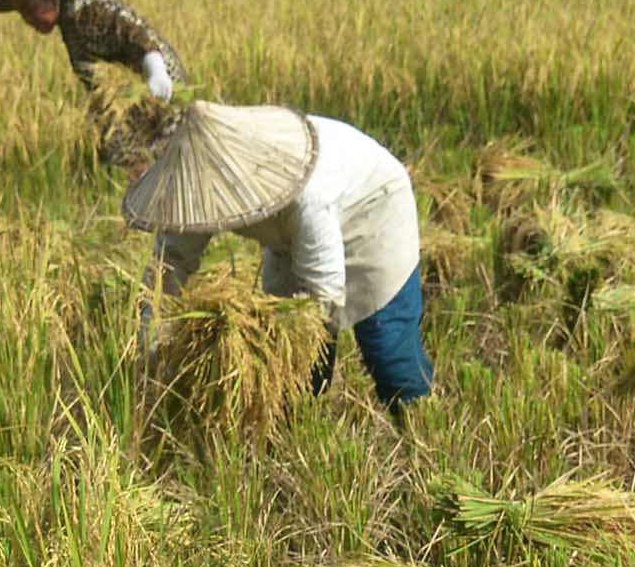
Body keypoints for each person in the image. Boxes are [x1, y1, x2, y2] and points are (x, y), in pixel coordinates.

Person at [124, 101, 432, 417]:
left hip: (373, 209)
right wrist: (149, 345)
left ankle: (417, 424)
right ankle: (302, 423)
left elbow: (323, 291)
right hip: (289, 235)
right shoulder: (195, 186)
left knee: (386, 345)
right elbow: (169, 265)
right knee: (283, 358)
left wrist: (301, 340)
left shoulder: (305, 194)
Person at [0, 0, 180, 179]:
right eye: (22, 13)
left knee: (153, 163)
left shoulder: (89, 11)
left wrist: (156, 70)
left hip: (155, 91)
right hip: (124, 100)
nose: (28, 20)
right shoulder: (69, 23)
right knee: (118, 153)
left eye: (30, 9)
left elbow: (136, 33)